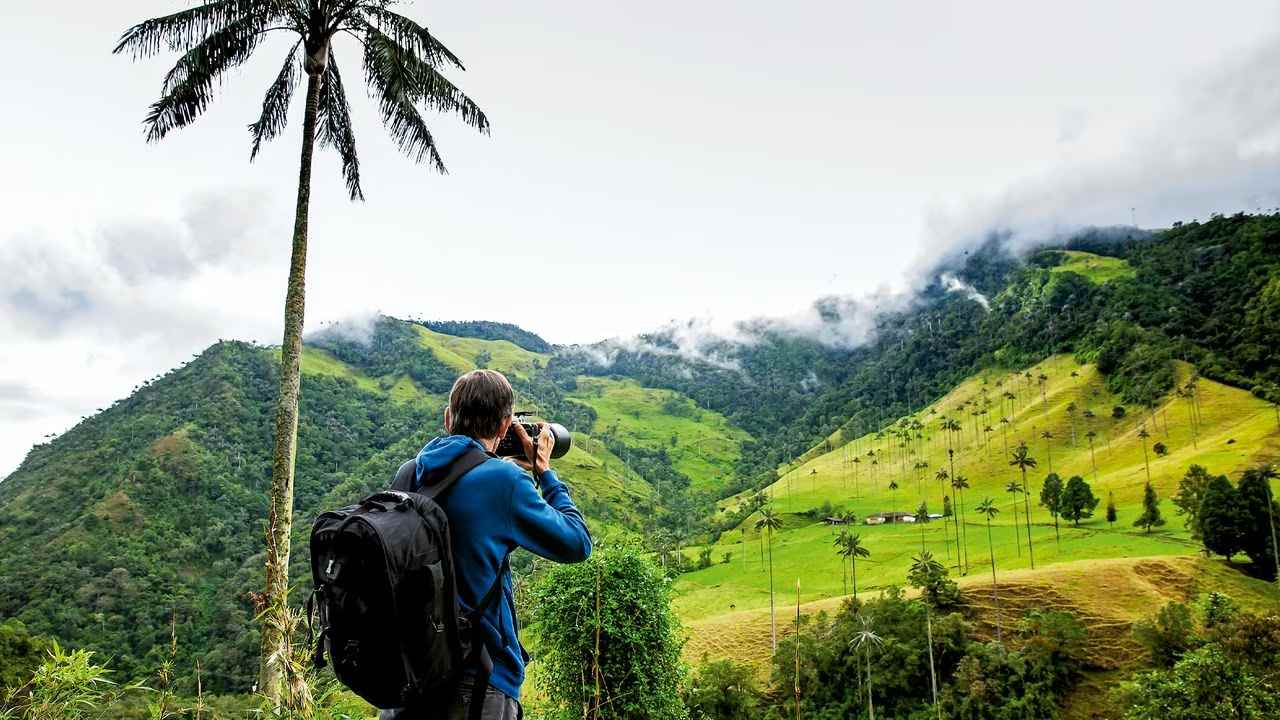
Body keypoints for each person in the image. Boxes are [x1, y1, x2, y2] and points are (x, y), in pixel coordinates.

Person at [382, 369, 592, 720]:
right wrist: (544, 473)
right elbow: (577, 544)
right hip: (477, 681)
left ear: (448, 418)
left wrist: (496, 464)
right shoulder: (503, 480)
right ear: (505, 424)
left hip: (408, 677)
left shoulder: (409, 473)